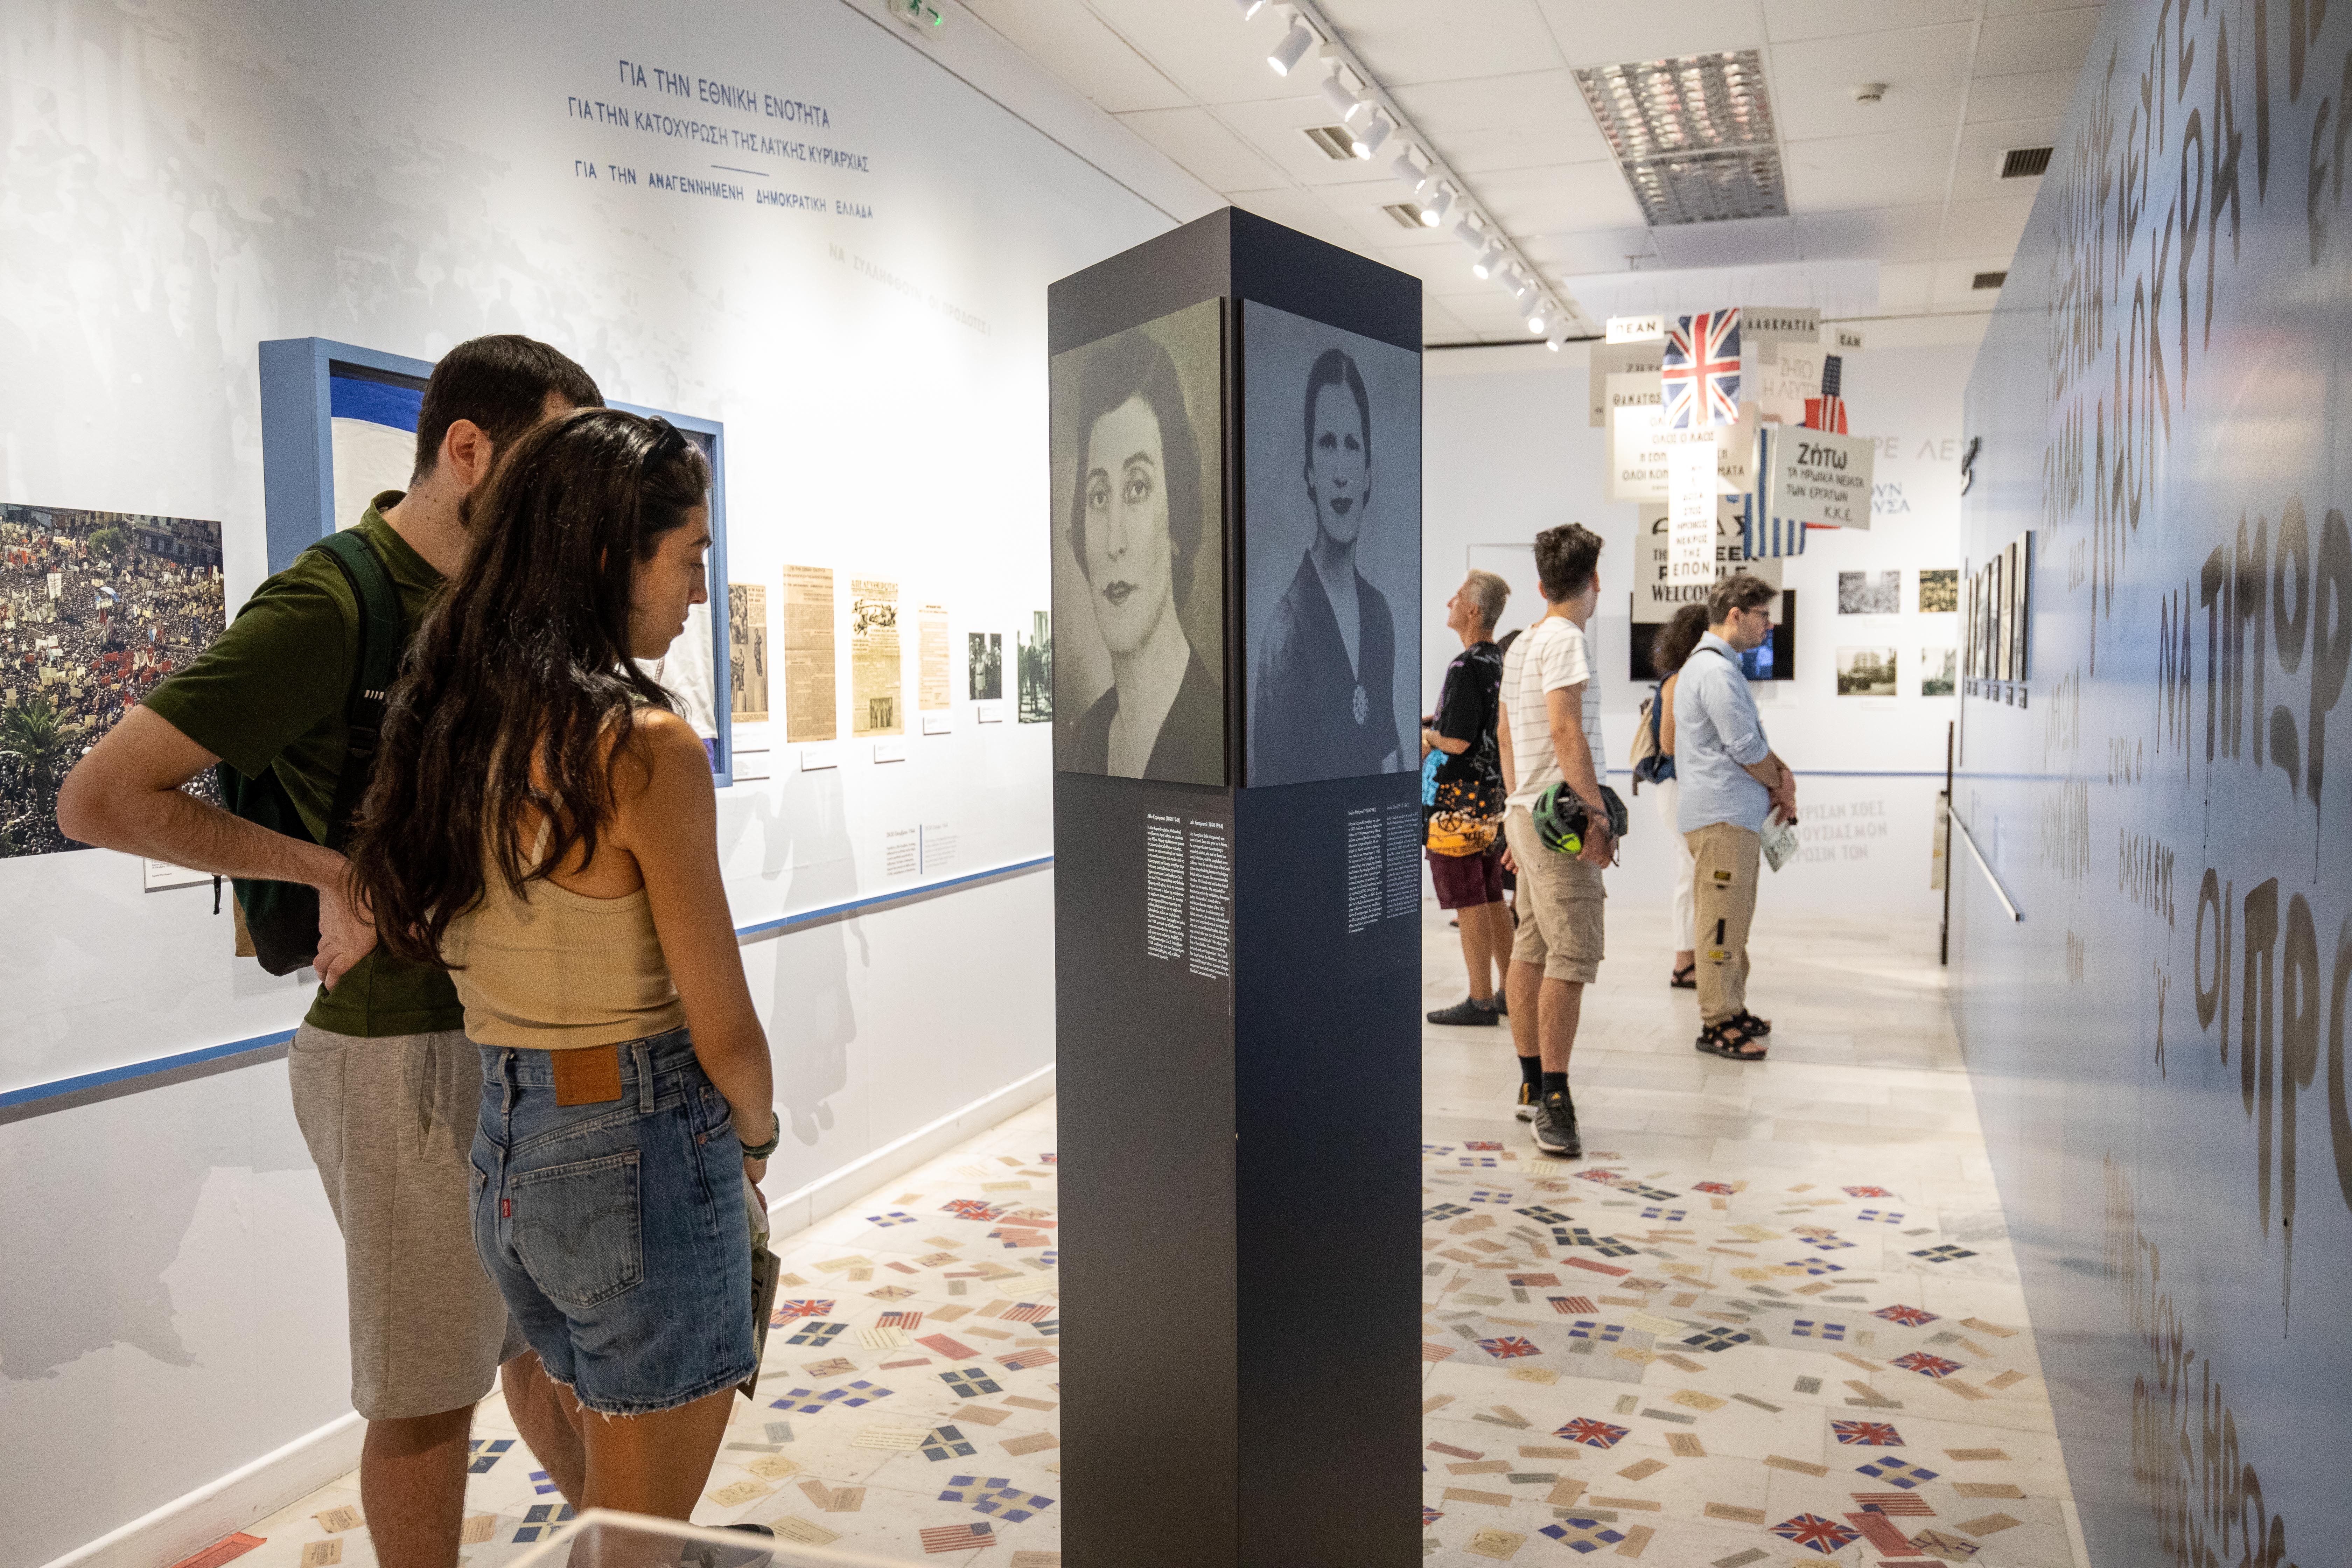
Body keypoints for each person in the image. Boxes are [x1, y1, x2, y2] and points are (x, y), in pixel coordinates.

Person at [56, 336, 601, 1566]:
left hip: (511, 1031)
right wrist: (327, 872)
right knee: (427, 1391)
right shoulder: (330, 602)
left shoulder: (497, 604)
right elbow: (102, 796)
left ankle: (636, 1550)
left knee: (538, 1344)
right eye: (547, 468)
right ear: (468, 449)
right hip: (399, 1049)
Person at [349, 409, 778, 1520]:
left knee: (609, 1499)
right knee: (638, 1532)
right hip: (638, 1137)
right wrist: (757, 1132)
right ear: (607, 557)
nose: (699, 593)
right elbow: (724, 1025)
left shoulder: (452, 730)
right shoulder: (641, 746)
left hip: (507, 1146)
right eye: (689, 558)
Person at [1496, 524, 1612, 1154]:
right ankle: (1556, 1102)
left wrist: (1516, 808)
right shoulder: (1567, 640)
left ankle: (1531, 1083)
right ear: (1594, 581)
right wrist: (1597, 816)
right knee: (1571, 954)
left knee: (1533, 948)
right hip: (1561, 822)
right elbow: (1567, 732)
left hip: (1527, 812)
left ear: (1542, 586)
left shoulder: (1524, 643)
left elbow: (1506, 735)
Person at [1066, 329, 1220, 781]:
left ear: (1176, 520)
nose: (1114, 540)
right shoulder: (1086, 742)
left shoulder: (1214, 739)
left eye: (1137, 488)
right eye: (1099, 496)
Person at [1252, 346, 1407, 783]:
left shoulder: (1378, 614)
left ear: (1368, 474)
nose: (1341, 472)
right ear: (1310, 473)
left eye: (1352, 446)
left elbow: (1387, 754)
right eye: (1327, 444)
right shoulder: (1286, 631)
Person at [1676, 574, 1799, 1060]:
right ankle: (1717, 1022)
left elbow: (1751, 741)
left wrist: (1781, 775)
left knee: (1735, 917)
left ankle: (1733, 1004)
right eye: (1763, 616)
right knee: (1721, 922)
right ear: (1735, 616)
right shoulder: (1714, 672)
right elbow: (1746, 748)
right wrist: (1779, 782)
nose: (1769, 626)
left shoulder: (1721, 668)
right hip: (1722, 818)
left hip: (1733, 818)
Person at [1424, 569, 1512, 1027]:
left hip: (1457, 803)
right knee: (1491, 892)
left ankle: (1480, 999)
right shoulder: (1499, 661)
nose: (1450, 603)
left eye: (1457, 597)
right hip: (1491, 796)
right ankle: (1511, 990)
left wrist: (1428, 736)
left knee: (1468, 898)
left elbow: (1457, 741)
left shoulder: (1464, 666)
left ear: (1473, 610)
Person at [1644, 604, 1710, 989]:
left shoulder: (1690, 678)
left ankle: (1690, 958)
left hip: (1686, 789)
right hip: (1679, 788)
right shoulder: (1678, 681)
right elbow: (1669, 744)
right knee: (1691, 872)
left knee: (1691, 871)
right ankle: (1685, 962)